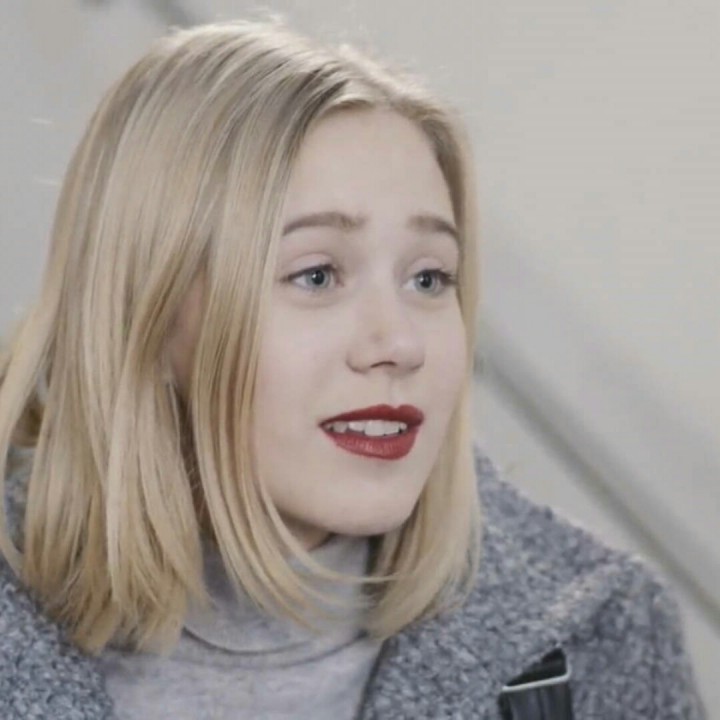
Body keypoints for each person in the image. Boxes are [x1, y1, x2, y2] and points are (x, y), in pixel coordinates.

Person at [0, 19, 705, 720]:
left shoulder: (605, 637)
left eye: (429, 279)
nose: (399, 342)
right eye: (316, 275)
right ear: (143, 316)